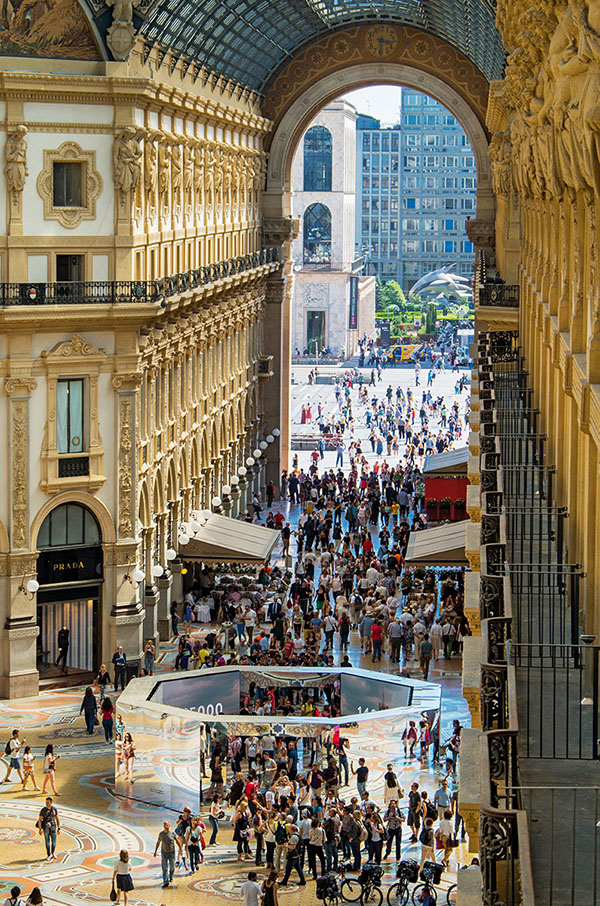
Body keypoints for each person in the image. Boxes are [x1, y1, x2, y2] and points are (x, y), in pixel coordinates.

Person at [279, 822, 306, 888]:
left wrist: (287, 845)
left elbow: (293, 846)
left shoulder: (294, 837)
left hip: (293, 855)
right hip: (296, 855)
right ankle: (303, 880)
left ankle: (285, 881)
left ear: (291, 830)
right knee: (298, 868)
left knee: (288, 869)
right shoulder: (297, 835)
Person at [36, 797, 60, 861]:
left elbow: (57, 818)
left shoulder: (54, 809)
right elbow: (40, 820)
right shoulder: (43, 810)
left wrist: (59, 828)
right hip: (45, 828)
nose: (47, 803)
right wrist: (40, 829)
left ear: (51, 802)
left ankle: (53, 852)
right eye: (46, 802)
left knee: (54, 841)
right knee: (47, 842)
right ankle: (49, 854)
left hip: (53, 828)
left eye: (48, 802)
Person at [154, 820, 176, 888]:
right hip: (164, 853)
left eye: (167, 825)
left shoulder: (172, 833)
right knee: (164, 868)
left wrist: (181, 849)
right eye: (164, 825)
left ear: (169, 826)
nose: (166, 826)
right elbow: (158, 842)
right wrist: (155, 851)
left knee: (172, 867)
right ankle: (165, 881)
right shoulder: (161, 834)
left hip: (172, 852)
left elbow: (177, 840)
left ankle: (171, 876)